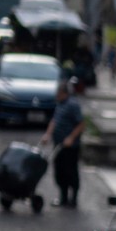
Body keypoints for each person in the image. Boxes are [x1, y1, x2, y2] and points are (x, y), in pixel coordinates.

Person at [41, 79, 86, 208]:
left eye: (58, 93)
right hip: (58, 145)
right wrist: (48, 134)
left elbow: (81, 124)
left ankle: (74, 199)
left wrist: (71, 138)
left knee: (71, 171)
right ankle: (63, 197)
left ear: (64, 93)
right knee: (59, 171)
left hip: (70, 147)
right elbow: (54, 121)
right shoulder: (60, 104)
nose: (56, 95)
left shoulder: (73, 105)